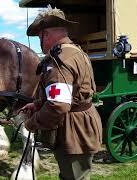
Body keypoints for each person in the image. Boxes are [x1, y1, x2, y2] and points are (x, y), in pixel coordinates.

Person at [20, 6, 102, 180]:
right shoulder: (75, 51)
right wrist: (38, 104)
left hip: (73, 133)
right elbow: (70, 94)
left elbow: (58, 105)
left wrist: (31, 124)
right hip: (80, 126)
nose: (39, 41)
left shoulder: (59, 61)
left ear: (46, 34)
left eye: (40, 36)